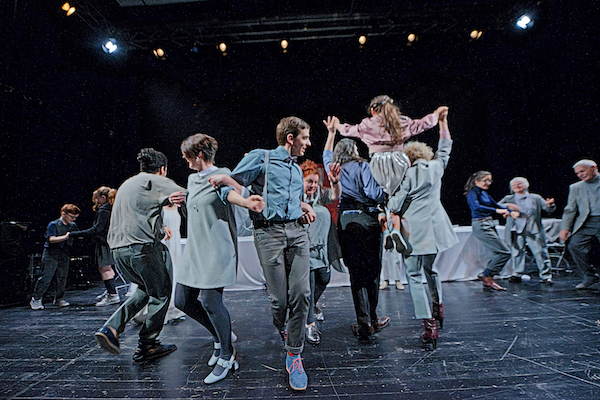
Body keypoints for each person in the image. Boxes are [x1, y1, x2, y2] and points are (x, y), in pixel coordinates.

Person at [209, 116, 315, 391]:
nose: (308, 143)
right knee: (279, 301)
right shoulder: (262, 158)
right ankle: (284, 328)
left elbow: (286, 196)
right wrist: (244, 199)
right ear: (290, 138)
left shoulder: (296, 169)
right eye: (304, 137)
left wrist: (303, 206)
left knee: (302, 294)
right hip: (268, 234)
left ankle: (294, 355)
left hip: (298, 233)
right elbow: (224, 188)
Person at [175, 133, 265, 384]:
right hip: (194, 249)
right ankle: (220, 335)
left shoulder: (223, 174)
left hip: (217, 249)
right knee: (182, 300)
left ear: (199, 155)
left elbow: (230, 195)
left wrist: (247, 202)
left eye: (187, 154)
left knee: (211, 302)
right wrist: (181, 201)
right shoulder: (193, 179)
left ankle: (227, 354)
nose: (183, 159)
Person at [94, 148, 186, 363]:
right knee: (161, 292)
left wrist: (160, 229)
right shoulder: (157, 181)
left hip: (119, 251)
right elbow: (190, 196)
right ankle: (148, 344)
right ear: (162, 169)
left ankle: (111, 328)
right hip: (142, 249)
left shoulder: (127, 184)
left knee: (146, 289)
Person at [331, 95, 447, 252]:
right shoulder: (401, 121)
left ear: (373, 110)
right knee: (397, 198)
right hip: (399, 161)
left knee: (382, 200)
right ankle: (396, 230)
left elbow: (349, 130)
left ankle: (386, 230)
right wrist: (436, 115)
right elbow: (421, 124)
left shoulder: (368, 124)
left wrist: (337, 125)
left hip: (378, 163)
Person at [387, 110, 458, 350]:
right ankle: (439, 307)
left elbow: (395, 206)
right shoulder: (436, 168)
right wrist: (443, 122)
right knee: (432, 269)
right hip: (437, 230)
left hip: (414, 233)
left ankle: (429, 326)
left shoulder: (407, 176)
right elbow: (446, 146)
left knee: (414, 276)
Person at [323, 116, 390, 341]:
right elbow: (373, 193)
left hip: (345, 221)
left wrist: (331, 134)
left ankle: (363, 324)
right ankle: (372, 317)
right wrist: (386, 195)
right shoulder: (364, 165)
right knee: (372, 272)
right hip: (368, 220)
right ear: (354, 149)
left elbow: (325, 155)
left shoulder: (334, 167)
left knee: (356, 274)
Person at [299, 158, 342, 345]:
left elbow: (335, 196)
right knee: (307, 287)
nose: (313, 185)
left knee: (324, 279)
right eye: (310, 182)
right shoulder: (295, 197)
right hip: (303, 249)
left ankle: (310, 307)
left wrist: (335, 182)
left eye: (316, 182)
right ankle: (309, 325)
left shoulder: (320, 195)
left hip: (322, 248)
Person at [465, 171, 519, 291]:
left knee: (496, 253)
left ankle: (488, 278)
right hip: (481, 224)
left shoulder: (484, 193)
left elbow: (497, 205)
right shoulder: (472, 193)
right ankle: (486, 274)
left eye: (490, 180)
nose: (488, 183)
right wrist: (498, 211)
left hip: (489, 223)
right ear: (477, 181)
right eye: (486, 180)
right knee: (504, 252)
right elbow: (477, 207)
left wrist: (509, 211)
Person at [70, 187, 121, 306]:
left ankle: (113, 295)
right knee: (108, 268)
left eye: (97, 199)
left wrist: (74, 234)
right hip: (112, 241)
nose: (96, 202)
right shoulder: (114, 209)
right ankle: (112, 293)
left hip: (104, 243)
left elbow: (97, 229)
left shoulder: (104, 211)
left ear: (103, 198)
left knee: (105, 268)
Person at [500, 177, 556, 285]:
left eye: (519, 184)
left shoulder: (535, 197)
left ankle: (546, 276)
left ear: (526, 185)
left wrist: (550, 205)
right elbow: (496, 206)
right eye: (514, 185)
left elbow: (548, 209)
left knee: (540, 252)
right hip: (515, 229)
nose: (516, 186)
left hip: (533, 229)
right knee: (517, 252)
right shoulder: (509, 198)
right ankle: (517, 273)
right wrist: (507, 207)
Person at [30, 204, 81, 310]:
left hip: (64, 253)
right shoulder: (53, 224)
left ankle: (59, 298)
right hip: (51, 253)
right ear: (63, 214)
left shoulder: (73, 225)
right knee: (47, 277)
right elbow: (51, 239)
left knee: (62, 277)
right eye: (71, 217)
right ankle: (36, 298)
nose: (73, 219)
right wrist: (66, 237)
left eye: (75, 218)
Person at [559, 159, 600, 289]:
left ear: (594, 167)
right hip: (587, 222)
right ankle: (590, 276)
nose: (580, 175)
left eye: (582, 171)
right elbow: (570, 209)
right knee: (575, 245)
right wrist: (565, 228)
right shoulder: (576, 187)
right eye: (577, 173)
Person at [161, 204, 187, 323]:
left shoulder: (178, 207)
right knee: (164, 271)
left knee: (175, 270)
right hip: (164, 241)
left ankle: (174, 307)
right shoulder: (159, 208)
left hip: (175, 242)